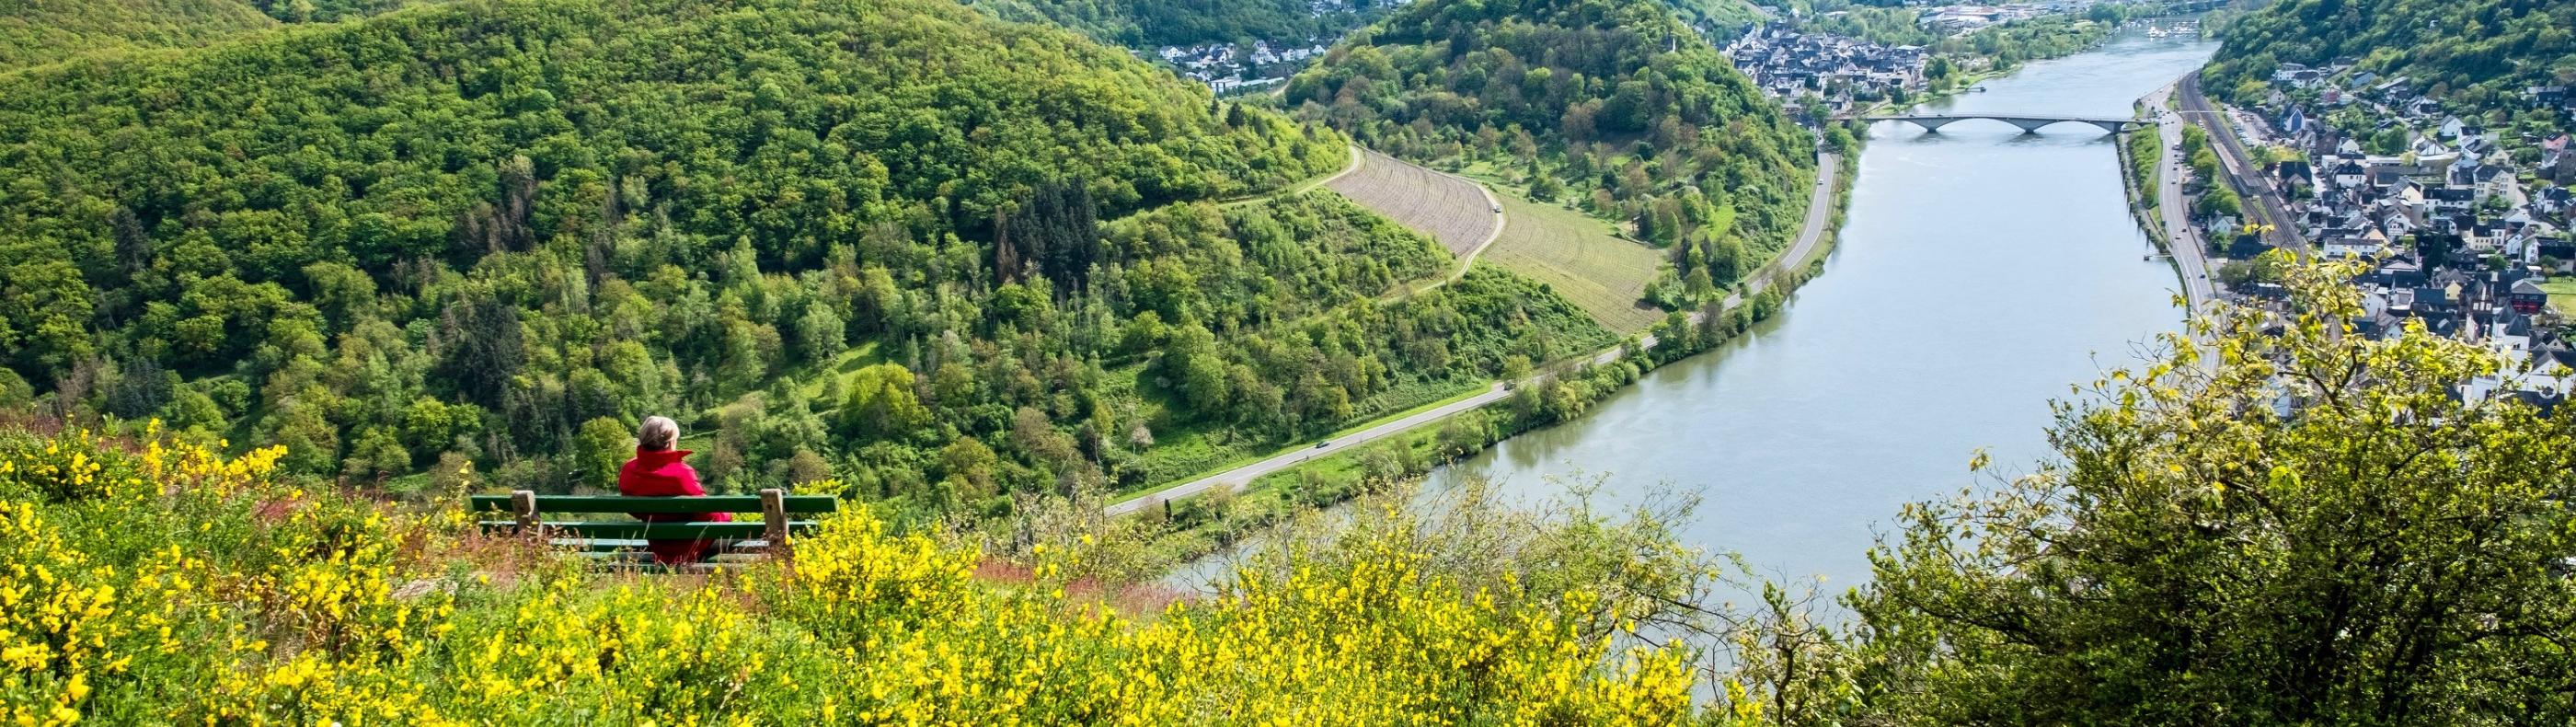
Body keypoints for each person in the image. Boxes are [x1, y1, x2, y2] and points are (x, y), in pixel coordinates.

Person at [616, 416, 730, 565]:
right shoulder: (682, 473)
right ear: (671, 442)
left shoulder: (629, 470)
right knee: (741, 533)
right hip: (689, 546)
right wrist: (726, 514)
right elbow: (711, 516)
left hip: (658, 545)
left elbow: (633, 509)